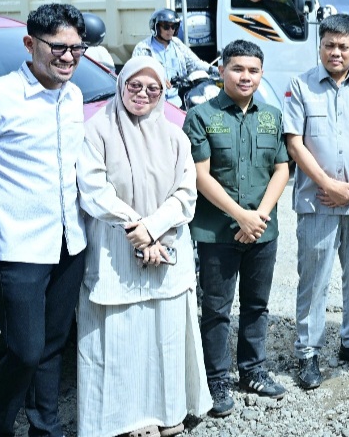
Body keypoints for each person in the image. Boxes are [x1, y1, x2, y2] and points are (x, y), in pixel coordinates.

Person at [0, 3, 89, 437]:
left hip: (69, 244)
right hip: (16, 247)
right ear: (30, 44)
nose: (68, 57)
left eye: (76, 48)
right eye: (57, 48)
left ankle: (45, 429)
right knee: (25, 350)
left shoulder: (74, 96)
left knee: (52, 345)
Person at [76, 56, 210, 437]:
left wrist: (152, 229)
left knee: (165, 335)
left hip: (164, 247)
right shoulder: (98, 130)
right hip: (116, 246)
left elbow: (185, 193)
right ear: (121, 85)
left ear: (164, 92)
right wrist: (135, 227)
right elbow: (93, 189)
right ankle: (127, 418)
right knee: (121, 338)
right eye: (135, 85)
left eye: (153, 88)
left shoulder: (175, 135)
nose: (143, 94)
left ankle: (171, 411)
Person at [183, 40, 291, 416]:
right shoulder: (201, 116)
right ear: (221, 71)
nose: (246, 76)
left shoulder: (272, 116)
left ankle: (253, 371)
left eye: (253, 70)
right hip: (217, 233)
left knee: (257, 305)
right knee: (216, 309)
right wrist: (240, 216)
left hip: (263, 230)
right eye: (238, 69)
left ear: (261, 74)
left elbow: (281, 168)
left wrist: (258, 216)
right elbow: (200, 175)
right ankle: (216, 380)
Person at [285, 14, 349, 388]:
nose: (336, 52)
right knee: (314, 278)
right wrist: (327, 183)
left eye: (344, 46)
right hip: (316, 201)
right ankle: (308, 353)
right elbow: (294, 141)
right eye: (329, 44)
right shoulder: (301, 86)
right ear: (320, 46)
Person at [132, 8, 212, 106]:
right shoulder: (143, 48)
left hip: (177, 102)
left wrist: (213, 69)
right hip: (153, 103)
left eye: (173, 26)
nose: (170, 30)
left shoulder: (177, 44)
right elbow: (134, 73)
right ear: (156, 27)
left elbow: (194, 63)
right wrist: (155, 78)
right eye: (166, 27)